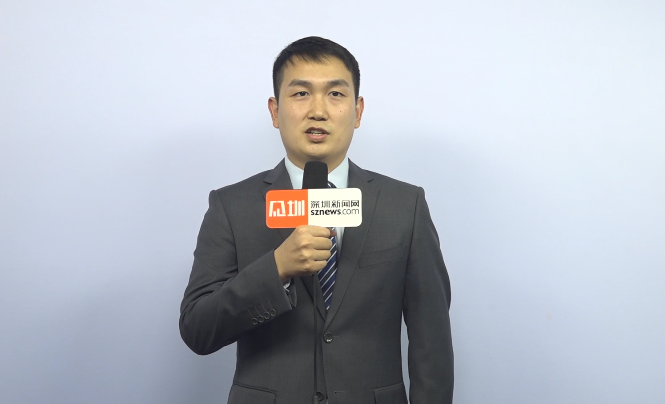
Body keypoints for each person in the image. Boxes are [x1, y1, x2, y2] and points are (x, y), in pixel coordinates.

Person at [179, 36, 453, 404]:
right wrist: (276, 268)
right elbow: (198, 329)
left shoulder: (405, 205)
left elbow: (431, 342)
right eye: (301, 94)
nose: (318, 111)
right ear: (275, 111)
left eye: (335, 94)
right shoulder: (231, 206)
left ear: (358, 111)